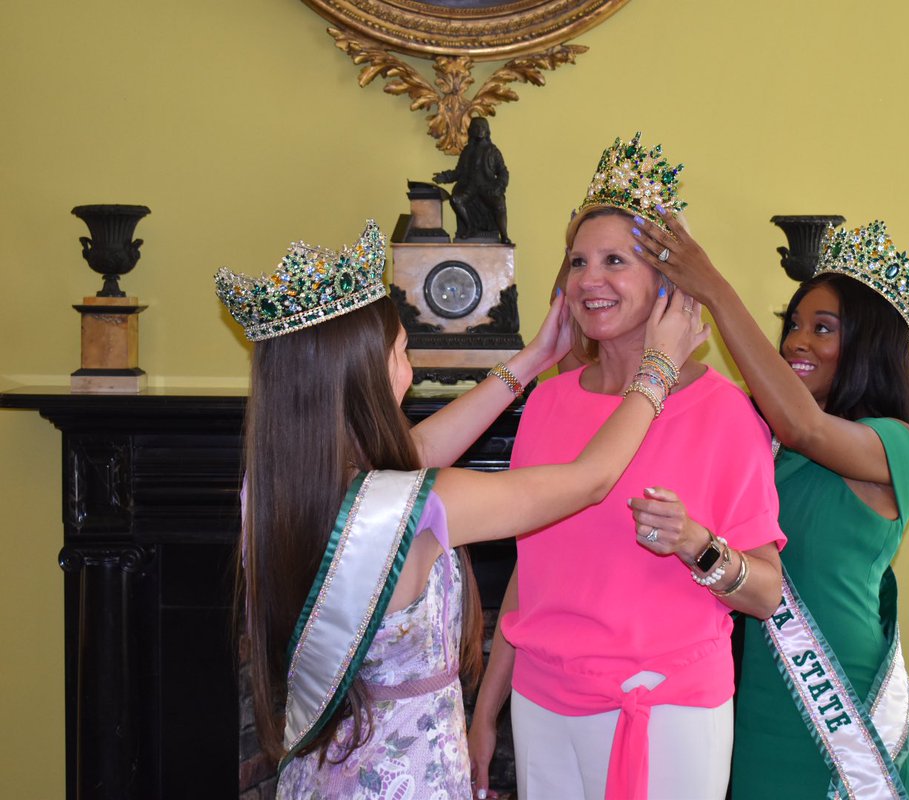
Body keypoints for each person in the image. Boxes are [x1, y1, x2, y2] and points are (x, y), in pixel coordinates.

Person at [213, 218, 707, 798]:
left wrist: (531, 361)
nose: (411, 371)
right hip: (407, 778)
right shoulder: (411, 508)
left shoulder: (279, 487)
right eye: (401, 354)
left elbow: (411, 457)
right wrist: (660, 368)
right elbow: (589, 479)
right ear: (360, 376)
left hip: (321, 776)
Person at [467, 133, 787, 800]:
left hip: (669, 711)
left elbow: (767, 593)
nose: (590, 280)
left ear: (665, 285)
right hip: (544, 704)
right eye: (578, 261)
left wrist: (698, 545)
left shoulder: (725, 412)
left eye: (616, 260)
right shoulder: (548, 403)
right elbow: (532, 571)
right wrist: (485, 713)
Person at [637, 216, 909, 798]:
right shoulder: (764, 438)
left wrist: (714, 286)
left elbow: (804, 425)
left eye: (823, 328)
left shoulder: (892, 443)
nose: (797, 342)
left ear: (867, 345)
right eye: (794, 325)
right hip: (754, 686)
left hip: (843, 697)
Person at [433, 117, 511, 243]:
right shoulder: (467, 151)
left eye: (483, 127)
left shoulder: (493, 151)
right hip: (470, 187)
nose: (480, 130)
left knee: (500, 204)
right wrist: (445, 177)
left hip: (487, 187)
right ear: (471, 131)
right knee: (455, 200)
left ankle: (504, 235)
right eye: (477, 127)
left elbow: (503, 172)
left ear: (487, 131)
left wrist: (499, 186)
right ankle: (470, 227)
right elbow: (458, 172)